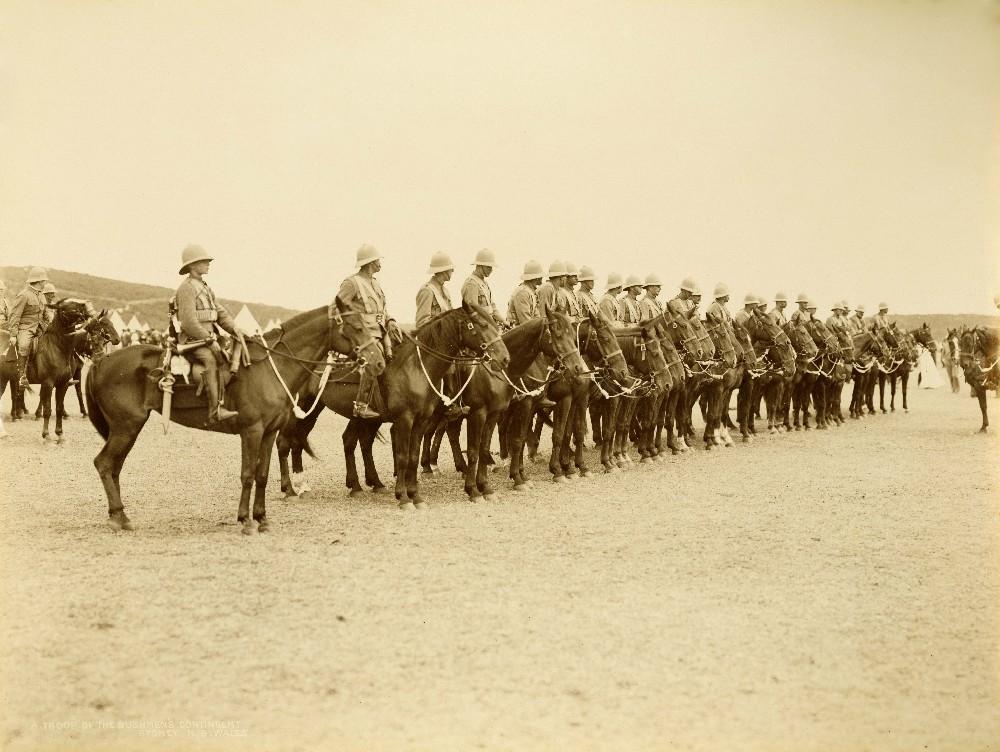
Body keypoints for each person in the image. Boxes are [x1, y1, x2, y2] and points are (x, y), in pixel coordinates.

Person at [174, 245, 241, 424]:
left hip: (207, 339)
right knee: (211, 360)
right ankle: (215, 410)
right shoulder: (186, 288)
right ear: (193, 265)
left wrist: (235, 329)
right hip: (192, 341)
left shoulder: (205, 287)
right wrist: (209, 340)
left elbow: (219, 313)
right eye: (204, 261)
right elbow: (189, 322)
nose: (208, 264)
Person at [337, 244, 402, 420]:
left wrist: (391, 320)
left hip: (382, 333)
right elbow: (337, 309)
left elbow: (382, 309)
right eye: (378, 259)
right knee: (375, 355)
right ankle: (361, 404)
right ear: (371, 262)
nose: (381, 262)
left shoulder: (375, 283)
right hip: (363, 336)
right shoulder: (352, 283)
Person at [7, 266, 49, 389]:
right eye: (44, 281)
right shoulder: (24, 295)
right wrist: (14, 335)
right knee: (24, 345)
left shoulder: (42, 296)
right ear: (39, 281)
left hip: (40, 327)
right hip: (25, 328)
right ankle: (22, 377)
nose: (45, 283)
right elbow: (15, 315)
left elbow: (46, 314)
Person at [461, 248, 505, 327]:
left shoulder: (484, 283)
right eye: (488, 267)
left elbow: (492, 307)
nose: (491, 270)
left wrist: (503, 321)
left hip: (488, 323)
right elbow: (472, 312)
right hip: (480, 327)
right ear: (480, 266)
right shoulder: (471, 284)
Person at [415, 252, 454, 328]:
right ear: (444, 271)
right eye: (450, 268)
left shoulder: (445, 291)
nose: (452, 271)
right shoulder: (427, 291)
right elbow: (421, 324)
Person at [508, 260, 543, 326]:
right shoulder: (522, 293)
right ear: (537, 278)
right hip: (516, 332)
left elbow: (536, 317)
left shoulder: (531, 292)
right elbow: (525, 322)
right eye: (540, 276)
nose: (542, 278)